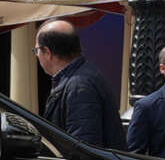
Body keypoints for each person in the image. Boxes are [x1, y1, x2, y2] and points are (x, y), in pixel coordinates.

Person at [34, 21, 123, 150]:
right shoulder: (80, 78)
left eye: (36, 50)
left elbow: (84, 148)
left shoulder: (79, 86)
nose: (36, 55)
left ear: (47, 52)